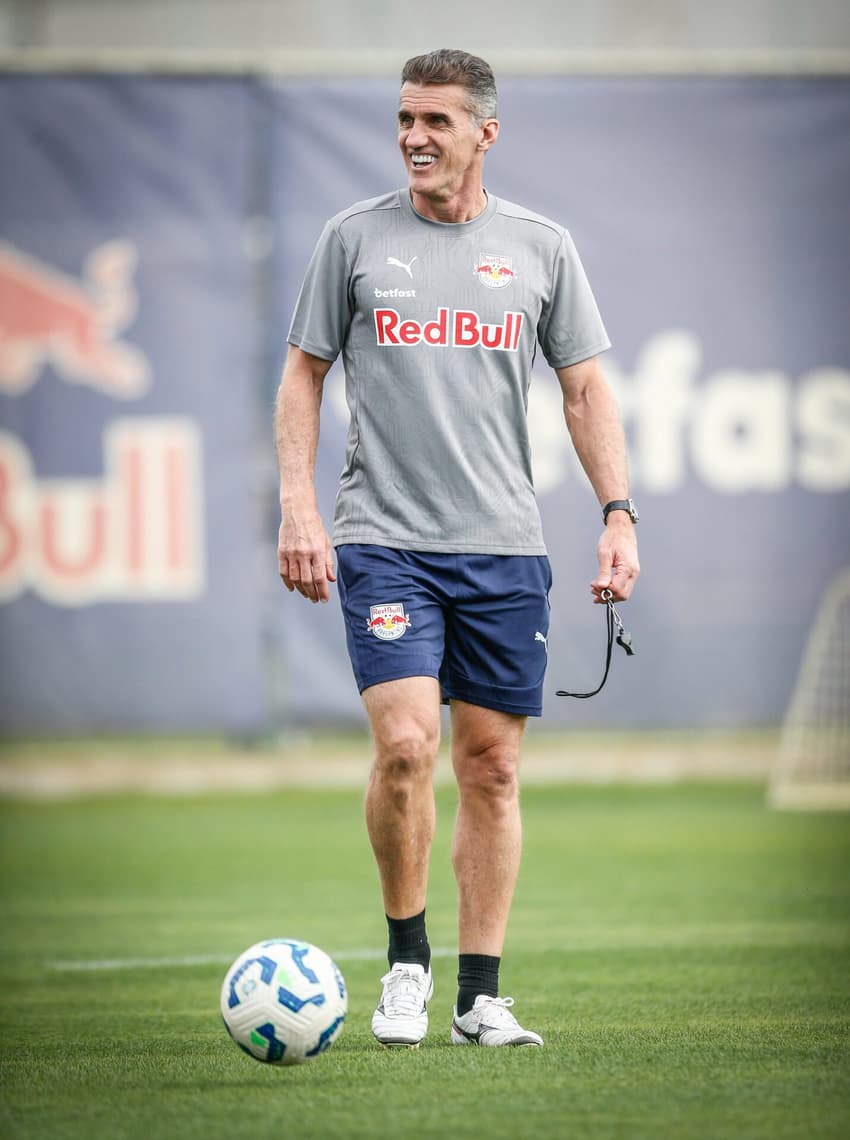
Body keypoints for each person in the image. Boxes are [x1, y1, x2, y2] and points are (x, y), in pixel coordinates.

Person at [275, 48, 639, 1049]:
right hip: (383, 537)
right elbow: (302, 374)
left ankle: (480, 997)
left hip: (504, 551)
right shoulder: (351, 240)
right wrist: (298, 508)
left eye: (436, 121)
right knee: (404, 749)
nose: (413, 138)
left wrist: (618, 512)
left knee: (490, 769)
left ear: (485, 132)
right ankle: (405, 963)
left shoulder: (539, 249)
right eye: (404, 119)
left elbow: (584, 389)